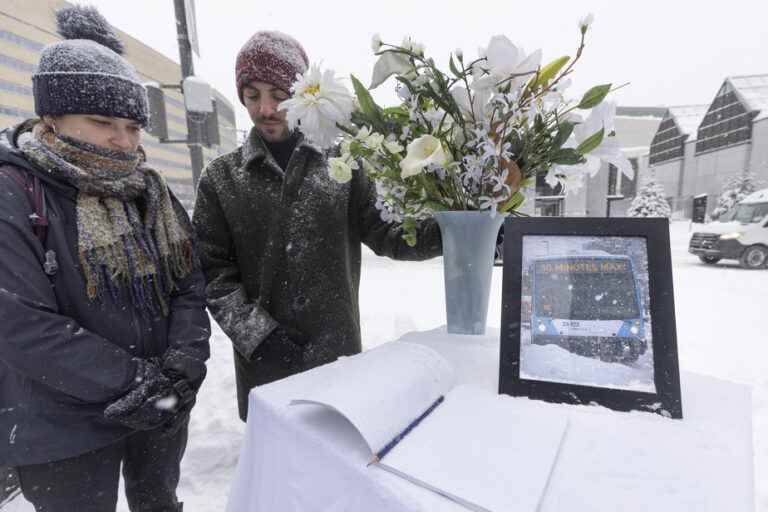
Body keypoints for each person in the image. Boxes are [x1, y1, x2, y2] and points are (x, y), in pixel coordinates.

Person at [0, 6, 210, 511]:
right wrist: (130, 380)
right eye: (102, 122)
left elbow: (187, 281)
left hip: (158, 407)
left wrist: (184, 362)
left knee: (158, 504)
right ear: (51, 116)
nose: (123, 140)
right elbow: (19, 322)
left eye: (134, 127)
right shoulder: (15, 192)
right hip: (62, 426)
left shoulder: (148, 193)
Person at [193, 30, 442, 421]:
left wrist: (460, 231)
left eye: (278, 94)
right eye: (252, 94)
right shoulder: (221, 179)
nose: (265, 109)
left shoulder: (344, 164)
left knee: (337, 468)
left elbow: (389, 234)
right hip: (265, 370)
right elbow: (213, 275)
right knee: (279, 473)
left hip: (337, 361)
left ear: (302, 93)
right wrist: (260, 338)